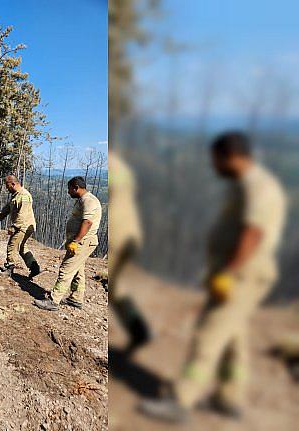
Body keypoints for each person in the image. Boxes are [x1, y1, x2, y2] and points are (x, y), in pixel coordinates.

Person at [140, 131, 287, 422]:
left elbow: (253, 233)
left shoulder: (260, 188)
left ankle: (181, 401)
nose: (214, 166)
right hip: (236, 272)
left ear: (230, 156)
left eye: (216, 160)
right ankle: (229, 397)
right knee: (234, 334)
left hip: (243, 275)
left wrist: (228, 273)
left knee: (209, 335)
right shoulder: (244, 184)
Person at [34, 176, 102, 311]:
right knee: (78, 270)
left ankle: (54, 301)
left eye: (69, 189)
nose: (68, 192)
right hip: (80, 241)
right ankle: (76, 298)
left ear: (76, 187)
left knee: (66, 269)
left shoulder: (88, 201)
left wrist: (76, 241)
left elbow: (87, 222)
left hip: (83, 242)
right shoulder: (83, 200)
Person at [108, 151, 152, 354]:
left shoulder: (114, 165)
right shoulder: (121, 166)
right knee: (116, 286)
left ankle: (139, 330)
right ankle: (139, 330)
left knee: (115, 286)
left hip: (120, 235)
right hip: (129, 232)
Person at [0, 175, 40, 278]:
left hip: (23, 226)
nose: (7, 189)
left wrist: (14, 227)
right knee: (22, 247)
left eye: (7, 186)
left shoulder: (24, 196)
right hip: (22, 225)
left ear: (13, 184)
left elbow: (22, 215)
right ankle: (34, 268)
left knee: (12, 245)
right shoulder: (16, 195)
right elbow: (7, 209)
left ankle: (9, 268)